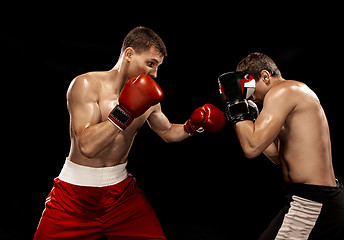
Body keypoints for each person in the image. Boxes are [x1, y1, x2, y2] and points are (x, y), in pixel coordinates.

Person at [34, 26, 226, 240]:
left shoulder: (150, 97)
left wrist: (192, 125)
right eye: (150, 64)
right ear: (129, 54)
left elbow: (168, 132)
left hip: (121, 196)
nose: (154, 73)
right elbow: (87, 146)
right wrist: (125, 111)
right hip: (73, 196)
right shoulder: (87, 84)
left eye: (158, 66)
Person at [218, 52, 344, 239]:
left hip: (313, 201)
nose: (250, 98)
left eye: (250, 89)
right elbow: (278, 156)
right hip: (312, 198)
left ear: (264, 76)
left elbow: (251, 148)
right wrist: (252, 119)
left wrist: (237, 105)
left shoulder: (282, 92)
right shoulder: (293, 93)